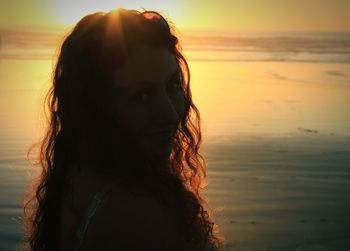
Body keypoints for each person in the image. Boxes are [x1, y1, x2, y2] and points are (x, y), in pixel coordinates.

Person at [23, 8, 224, 251]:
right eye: (141, 95)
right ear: (97, 107)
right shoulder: (138, 212)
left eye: (173, 85)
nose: (170, 113)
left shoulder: (79, 173)